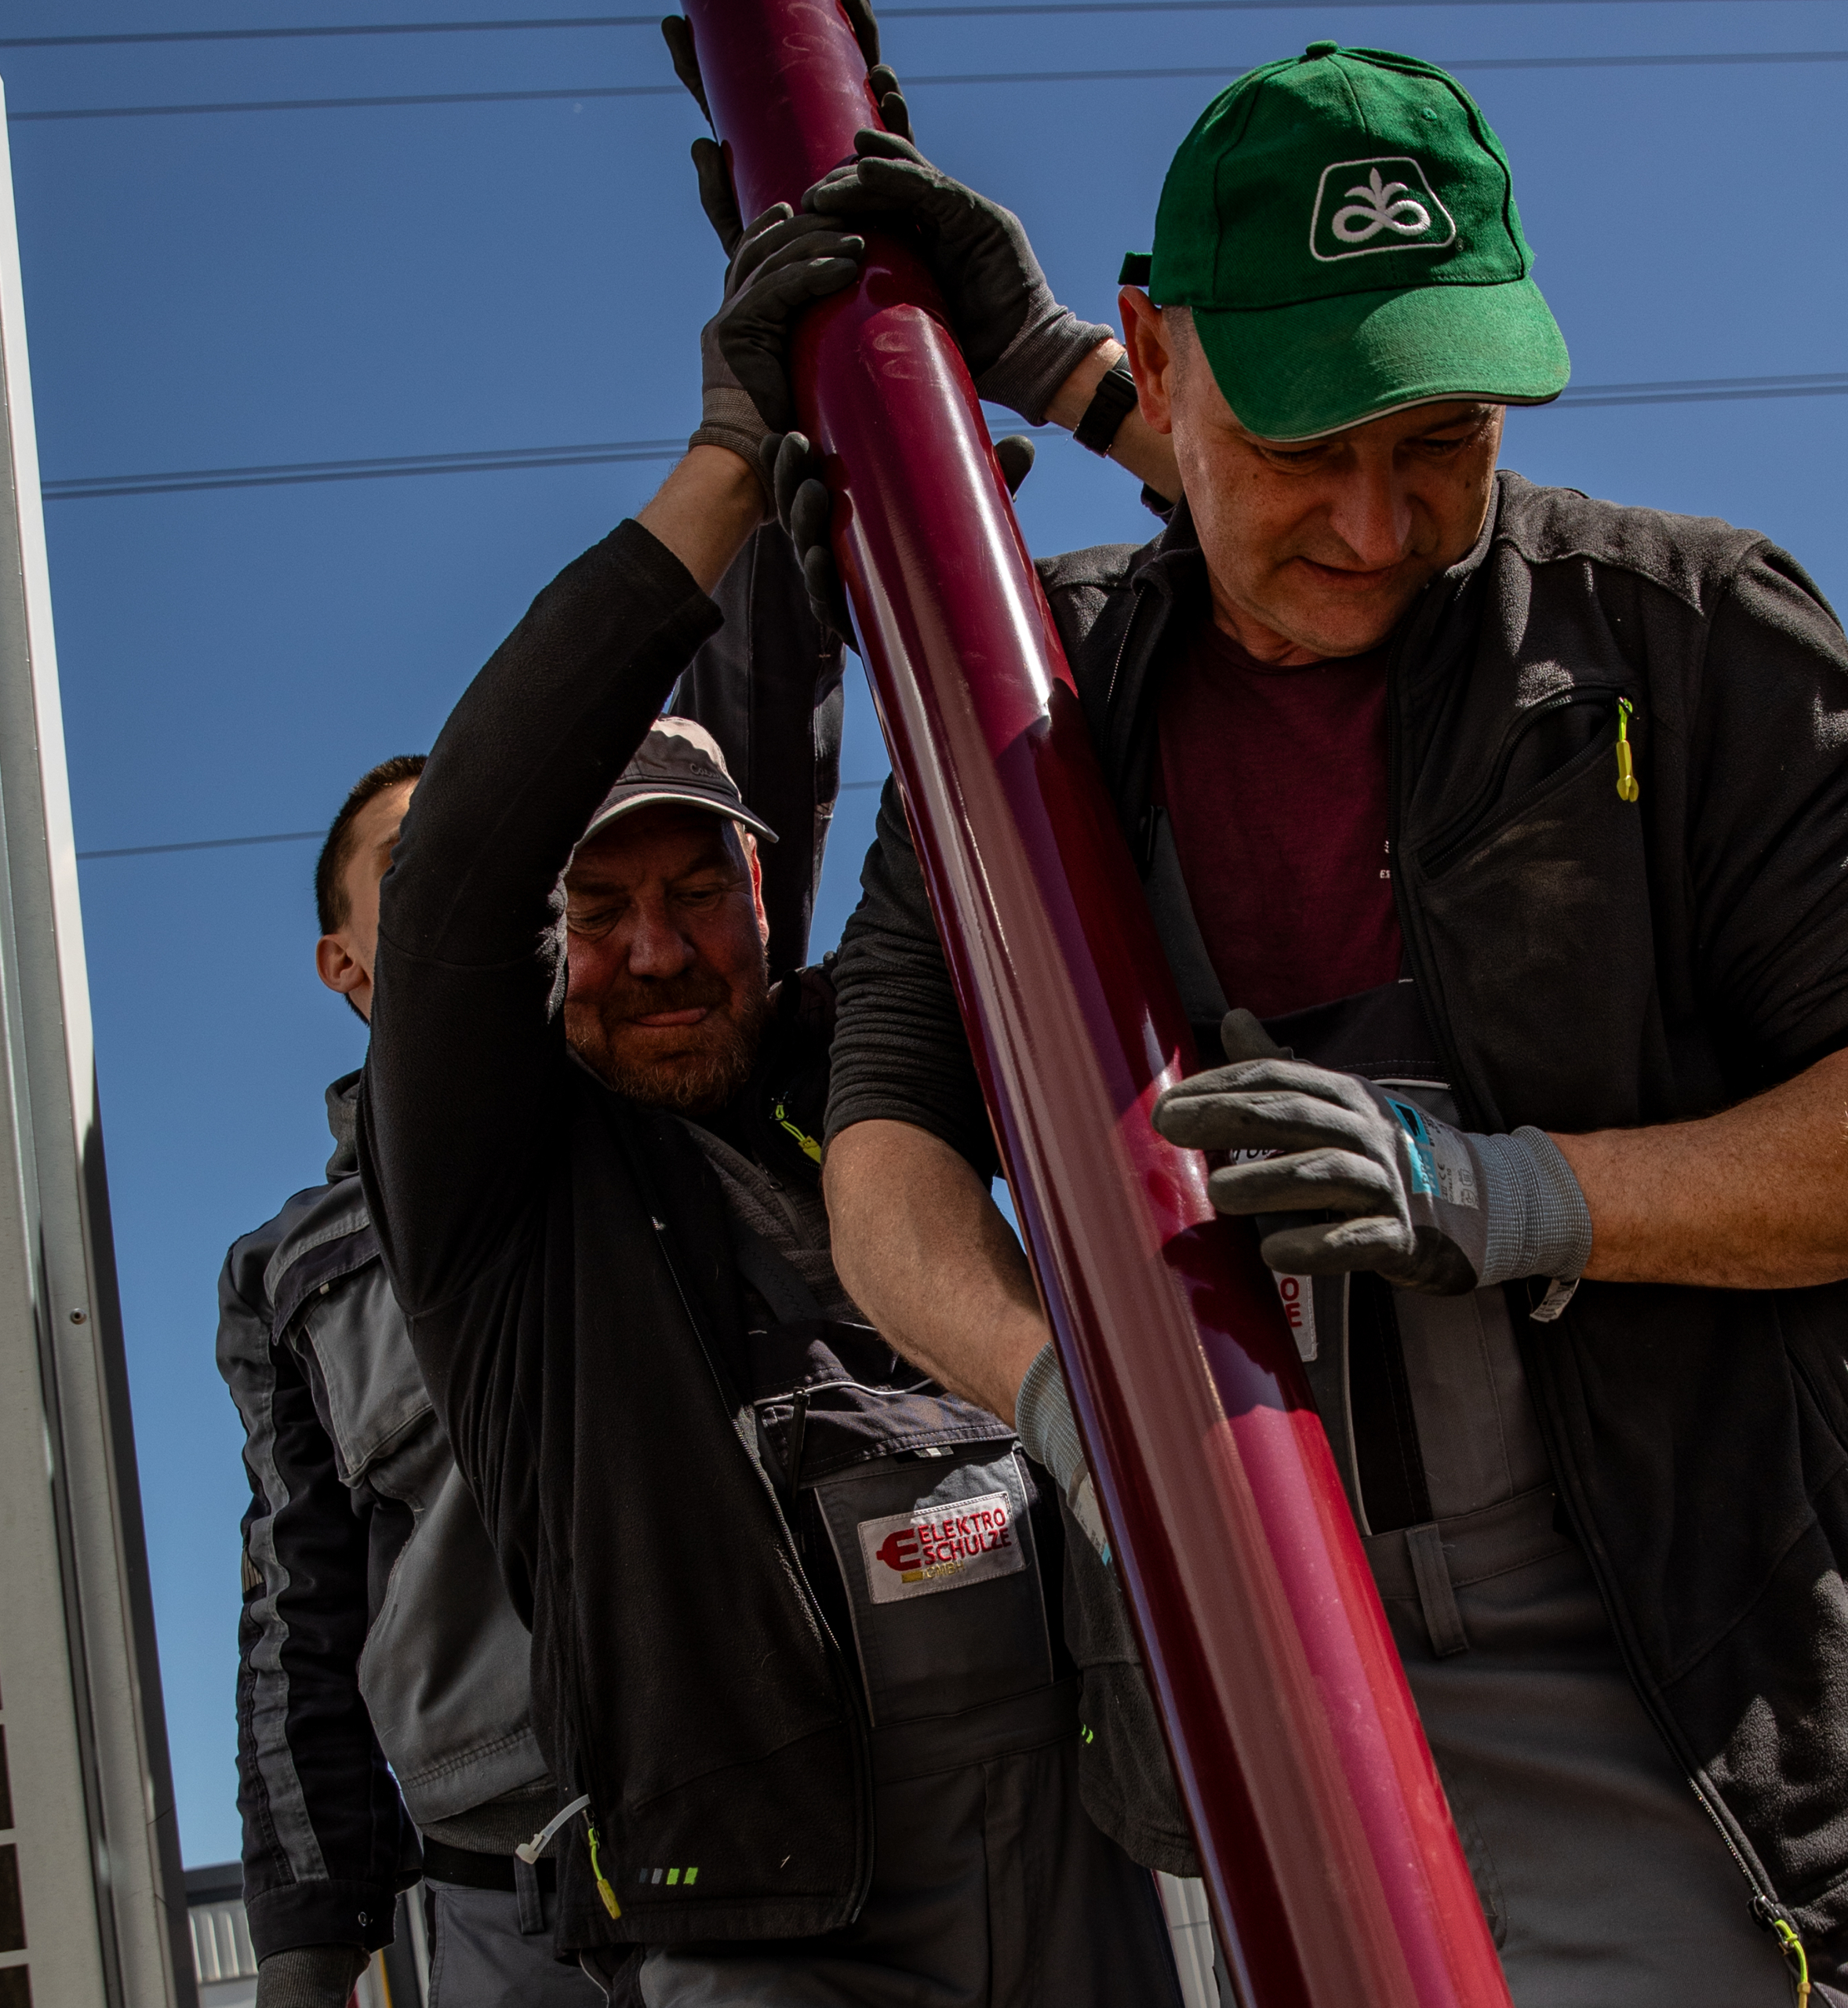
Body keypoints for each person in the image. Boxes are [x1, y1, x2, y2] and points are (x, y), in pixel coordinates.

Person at [737, 42, 1848, 2008]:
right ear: (1156, 359)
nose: (1372, 518)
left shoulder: (1681, 641)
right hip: (1286, 1691)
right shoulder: (1038, 717)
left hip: (1723, 1704)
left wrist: (1511, 1192)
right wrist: (1067, 1403)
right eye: (1302, 446)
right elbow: (885, 1159)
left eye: (1439, 439)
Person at [355, 230, 1180, 1999]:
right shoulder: (502, 1195)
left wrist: (975, 475)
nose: (656, 952)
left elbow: (1041, 774)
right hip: (766, 1910)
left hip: (1071, 1830)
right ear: (547, 944)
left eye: (698, 894)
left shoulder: (859, 1049)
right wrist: (731, 461)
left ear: (761, 893)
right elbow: (445, 888)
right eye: (599, 911)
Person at [219, 757, 580, 2007]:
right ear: (345, 963)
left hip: (777, 1816)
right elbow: (294, 1617)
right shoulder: (289, 1274)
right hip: (514, 1897)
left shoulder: (666, 1103)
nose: (467, 873)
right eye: (410, 864)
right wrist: (307, 1948)